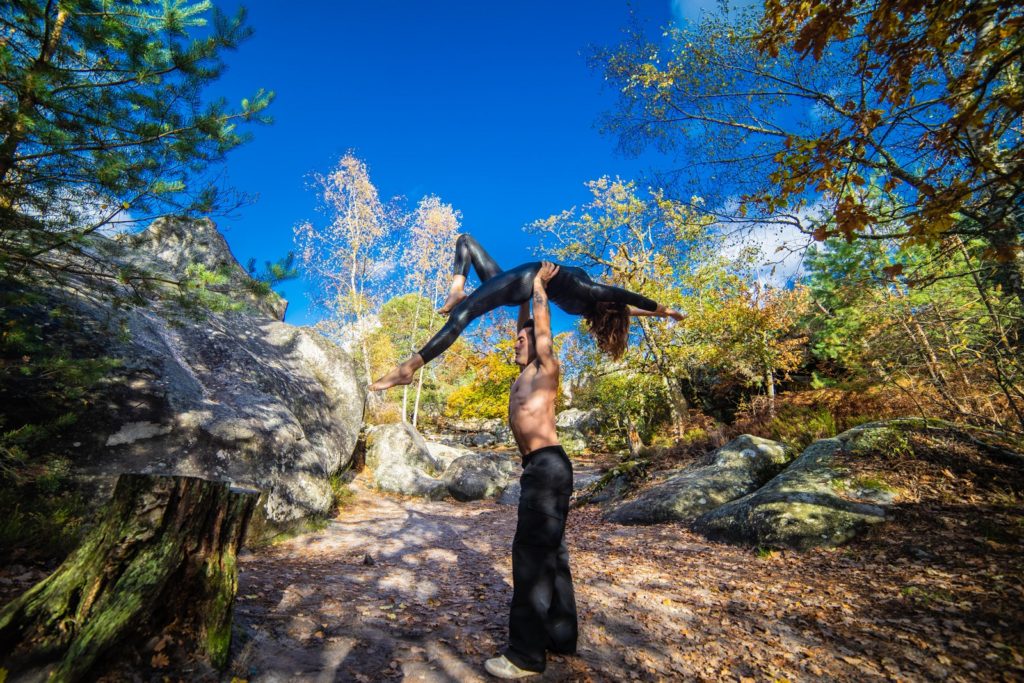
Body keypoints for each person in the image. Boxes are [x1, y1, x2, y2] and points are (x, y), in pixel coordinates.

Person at [368, 233, 684, 391]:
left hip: (522, 283)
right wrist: (662, 316)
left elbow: (630, 299)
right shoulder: (588, 308)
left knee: (462, 315)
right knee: (465, 241)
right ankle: (456, 290)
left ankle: (409, 367)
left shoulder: (593, 293)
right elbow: (629, 310)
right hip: (515, 285)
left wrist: (665, 309)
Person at [485, 261, 576, 679]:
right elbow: (525, 318)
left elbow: (541, 326)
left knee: (531, 557)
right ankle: (561, 636)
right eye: (517, 338)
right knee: (551, 554)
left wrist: (539, 285)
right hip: (541, 468)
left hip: (547, 468)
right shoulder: (524, 375)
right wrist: (524, 291)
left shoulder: (545, 368)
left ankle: (524, 657)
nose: (517, 341)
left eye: (523, 338)